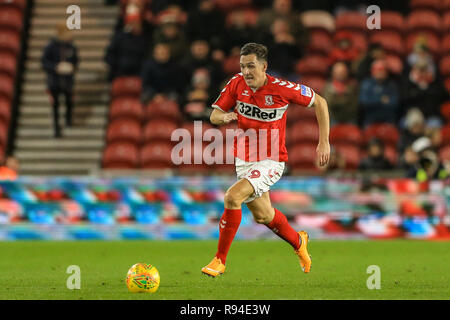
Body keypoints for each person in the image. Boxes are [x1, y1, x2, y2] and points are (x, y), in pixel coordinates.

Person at [201, 43, 330, 277]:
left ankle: (219, 260)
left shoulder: (282, 88)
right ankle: (298, 242)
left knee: (232, 197)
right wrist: (226, 116)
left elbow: (320, 102)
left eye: (251, 66)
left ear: (264, 66)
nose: (246, 72)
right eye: (242, 67)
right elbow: (214, 114)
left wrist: (324, 142)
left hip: (271, 160)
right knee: (264, 216)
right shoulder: (236, 83)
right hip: (244, 159)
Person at [41, 23, 78, 138]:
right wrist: (55, 67)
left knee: (69, 101)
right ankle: (56, 128)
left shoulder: (71, 47)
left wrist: (72, 67)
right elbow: (44, 62)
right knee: (55, 106)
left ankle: (68, 119)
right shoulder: (50, 47)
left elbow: (76, 61)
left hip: (67, 81)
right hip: (54, 81)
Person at [359, 59, 400, 127]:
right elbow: (364, 102)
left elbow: (394, 103)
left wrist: (374, 99)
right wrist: (381, 99)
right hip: (371, 119)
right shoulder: (366, 84)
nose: (380, 73)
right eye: (378, 70)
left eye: (383, 70)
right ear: (373, 71)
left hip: (388, 119)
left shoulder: (391, 85)